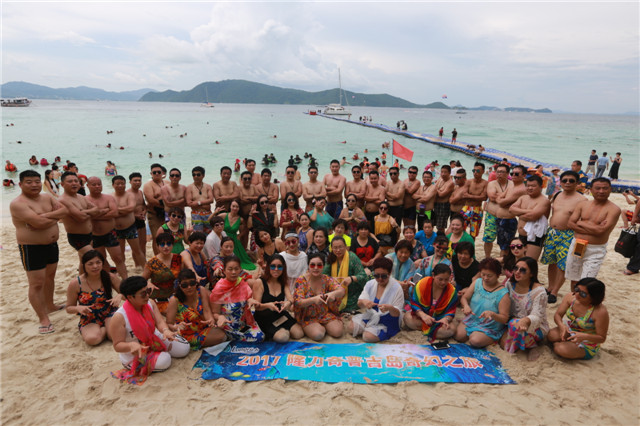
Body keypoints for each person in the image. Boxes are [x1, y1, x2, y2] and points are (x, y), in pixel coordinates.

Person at [109, 276, 190, 384]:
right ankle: (136, 361)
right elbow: (117, 345)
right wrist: (131, 345)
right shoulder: (119, 317)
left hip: (153, 337)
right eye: (143, 294)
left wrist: (166, 330)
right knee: (165, 360)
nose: (147, 295)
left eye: (148, 291)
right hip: (135, 352)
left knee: (184, 348)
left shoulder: (150, 303)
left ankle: (158, 351)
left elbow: (160, 322)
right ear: (130, 297)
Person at [540, 171, 586, 303]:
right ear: (560, 182)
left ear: (577, 183)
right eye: (564, 180)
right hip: (553, 233)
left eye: (571, 180)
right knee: (552, 262)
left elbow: (584, 220)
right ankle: (550, 287)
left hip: (569, 235)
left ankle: (555, 291)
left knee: (563, 264)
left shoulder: (582, 200)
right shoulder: (557, 195)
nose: (567, 183)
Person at [566, 178, 620, 287]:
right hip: (577, 244)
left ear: (610, 189)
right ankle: (574, 298)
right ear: (591, 189)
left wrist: (580, 223)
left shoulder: (614, 209)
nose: (601, 191)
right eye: (598, 188)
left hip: (595, 249)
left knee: (587, 281)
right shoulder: (582, 204)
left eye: (605, 188)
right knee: (574, 277)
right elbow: (570, 224)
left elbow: (600, 231)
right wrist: (594, 228)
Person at [65, 250, 122, 345]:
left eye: (98, 262)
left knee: (115, 336)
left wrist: (120, 295)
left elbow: (128, 293)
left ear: (102, 263)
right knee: (92, 339)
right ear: (84, 265)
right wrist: (78, 308)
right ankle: (105, 330)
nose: (95, 266)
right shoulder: (76, 283)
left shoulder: (110, 277)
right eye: (90, 264)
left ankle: (108, 330)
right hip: (89, 317)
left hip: (109, 312)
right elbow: (68, 308)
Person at [547, 278, 609, 360]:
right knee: (551, 335)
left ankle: (565, 345)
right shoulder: (570, 297)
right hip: (571, 329)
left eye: (583, 294)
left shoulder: (600, 312)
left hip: (588, 341)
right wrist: (561, 325)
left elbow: (602, 338)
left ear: (594, 297)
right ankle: (567, 344)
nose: (577, 294)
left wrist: (584, 336)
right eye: (577, 289)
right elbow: (558, 315)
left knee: (560, 349)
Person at [500, 257, 549, 361]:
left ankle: (532, 346)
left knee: (513, 328)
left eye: (523, 270)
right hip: (513, 321)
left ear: (531, 274)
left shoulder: (539, 292)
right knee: (504, 344)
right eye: (516, 268)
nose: (517, 272)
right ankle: (524, 343)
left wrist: (525, 320)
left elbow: (537, 316)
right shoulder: (509, 283)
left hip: (535, 326)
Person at [454, 258, 510, 348]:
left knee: (475, 341)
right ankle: (475, 332)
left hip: (490, 326)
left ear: (498, 275)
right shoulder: (477, 282)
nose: (485, 278)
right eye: (483, 274)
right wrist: (466, 306)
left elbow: (504, 318)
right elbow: (464, 298)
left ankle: (494, 337)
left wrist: (493, 314)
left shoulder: (503, 293)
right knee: (458, 336)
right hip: (472, 319)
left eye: (489, 276)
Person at [165, 269, 226, 350]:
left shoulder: (201, 290)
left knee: (224, 332)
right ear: (179, 285)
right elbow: (169, 323)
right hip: (187, 334)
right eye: (184, 285)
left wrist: (210, 320)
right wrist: (177, 327)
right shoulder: (175, 300)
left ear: (196, 282)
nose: (189, 287)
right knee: (222, 336)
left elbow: (207, 310)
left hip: (203, 328)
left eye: (192, 283)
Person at [348, 257, 404, 342]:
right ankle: (368, 328)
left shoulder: (397, 288)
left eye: (384, 276)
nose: (380, 279)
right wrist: (364, 302)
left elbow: (397, 314)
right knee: (351, 328)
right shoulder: (370, 284)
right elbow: (359, 303)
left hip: (388, 320)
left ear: (390, 273)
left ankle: (369, 330)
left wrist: (389, 308)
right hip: (371, 316)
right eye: (377, 276)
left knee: (367, 337)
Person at [209, 256, 264, 342]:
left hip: (243, 323)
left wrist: (250, 300)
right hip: (228, 326)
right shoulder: (219, 289)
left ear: (240, 270)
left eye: (236, 269)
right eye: (230, 269)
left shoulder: (241, 283)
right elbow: (215, 313)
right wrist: (220, 317)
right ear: (224, 271)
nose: (233, 272)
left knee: (261, 335)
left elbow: (247, 300)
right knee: (257, 338)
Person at [293, 253, 346, 341]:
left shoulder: (326, 279)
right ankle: (318, 328)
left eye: (319, 265)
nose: (316, 268)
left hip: (324, 313)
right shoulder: (301, 280)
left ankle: (326, 326)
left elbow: (342, 291)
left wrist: (333, 294)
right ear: (308, 266)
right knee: (318, 335)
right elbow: (298, 302)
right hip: (308, 316)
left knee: (337, 332)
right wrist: (314, 299)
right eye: (312, 265)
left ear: (323, 266)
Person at [252, 254, 304, 342]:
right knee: (282, 337)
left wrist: (288, 302)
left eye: (279, 267)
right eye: (273, 266)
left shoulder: (283, 281)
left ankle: (282, 330)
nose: (276, 269)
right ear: (268, 267)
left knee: (299, 333)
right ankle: (280, 331)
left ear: (283, 268)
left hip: (280, 314)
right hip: (265, 317)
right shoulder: (259, 282)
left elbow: (290, 298)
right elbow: (257, 307)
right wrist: (268, 305)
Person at [85, 177, 127, 279]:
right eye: (94, 184)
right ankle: (108, 280)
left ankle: (126, 280)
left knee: (118, 258)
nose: (97, 186)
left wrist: (95, 215)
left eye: (99, 184)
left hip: (110, 233)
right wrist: (105, 210)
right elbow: (85, 216)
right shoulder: (85, 200)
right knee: (101, 260)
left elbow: (114, 213)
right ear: (87, 186)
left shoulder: (108, 198)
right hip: (94, 235)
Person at [405, 263, 458, 342]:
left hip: (439, 320)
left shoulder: (452, 291)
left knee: (452, 329)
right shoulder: (423, 284)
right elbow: (415, 303)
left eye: (446, 279)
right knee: (407, 317)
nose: (443, 282)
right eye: (440, 279)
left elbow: (451, 310)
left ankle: (426, 329)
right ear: (433, 275)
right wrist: (423, 315)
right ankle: (433, 331)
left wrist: (445, 319)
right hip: (422, 318)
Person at [58, 171, 99, 272]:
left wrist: (83, 211)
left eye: (76, 181)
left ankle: (81, 280)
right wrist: (88, 212)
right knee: (94, 259)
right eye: (70, 181)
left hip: (89, 235)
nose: (74, 183)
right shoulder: (63, 200)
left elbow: (96, 210)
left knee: (83, 262)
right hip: (77, 237)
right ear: (62, 184)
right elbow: (81, 218)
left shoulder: (81, 197)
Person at [509, 175, 551, 261]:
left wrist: (518, 213)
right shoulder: (523, 198)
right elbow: (511, 209)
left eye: (533, 186)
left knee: (529, 263)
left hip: (535, 236)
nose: (530, 188)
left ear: (541, 187)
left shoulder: (544, 201)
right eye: (528, 185)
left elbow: (532, 217)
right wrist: (529, 211)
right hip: (521, 235)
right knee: (519, 261)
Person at [323, 236, 366, 312]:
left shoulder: (352, 257)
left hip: (352, 295)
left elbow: (363, 276)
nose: (338, 250)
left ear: (346, 247)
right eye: (335, 248)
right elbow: (323, 276)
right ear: (331, 248)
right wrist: (331, 280)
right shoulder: (331, 258)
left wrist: (351, 278)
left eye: (341, 247)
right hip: (335, 293)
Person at [142, 233, 182, 314]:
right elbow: (141, 280)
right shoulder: (151, 263)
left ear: (172, 245)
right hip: (159, 298)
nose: (166, 247)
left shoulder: (179, 258)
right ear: (157, 246)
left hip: (176, 295)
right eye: (162, 244)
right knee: (175, 314)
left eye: (169, 244)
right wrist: (148, 283)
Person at [112, 176, 146, 269]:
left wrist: (116, 210)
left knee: (137, 250)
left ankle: (145, 269)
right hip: (116, 229)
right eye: (117, 184)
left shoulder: (129, 195)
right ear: (113, 185)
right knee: (120, 252)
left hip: (130, 228)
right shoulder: (110, 197)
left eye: (122, 183)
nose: (120, 185)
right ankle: (123, 270)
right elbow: (110, 212)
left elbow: (130, 208)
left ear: (125, 184)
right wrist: (123, 210)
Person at [483, 164, 513, 258]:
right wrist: (507, 197)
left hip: (506, 217)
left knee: (505, 242)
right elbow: (492, 197)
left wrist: (499, 195)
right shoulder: (491, 184)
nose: (499, 174)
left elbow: (514, 198)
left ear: (507, 173)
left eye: (502, 172)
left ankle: (503, 261)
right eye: (498, 171)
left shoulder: (512, 184)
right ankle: (487, 257)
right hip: (491, 215)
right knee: (488, 239)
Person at [219, 200, 256, 271]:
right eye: (233, 206)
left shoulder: (240, 219)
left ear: (239, 208)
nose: (235, 208)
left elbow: (246, 228)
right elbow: (212, 221)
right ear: (230, 206)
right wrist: (215, 212)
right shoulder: (224, 215)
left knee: (241, 260)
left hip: (234, 239)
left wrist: (240, 235)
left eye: (237, 207)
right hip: (223, 237)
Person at [143, 163, 168, 254]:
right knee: (157, 237)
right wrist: (166, 205)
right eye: (154, 172)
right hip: (154, 215)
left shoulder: (167, 183)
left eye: (159, 172)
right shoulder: (148, 185)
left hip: (167, 214)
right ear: (151, 173)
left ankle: (166, 255)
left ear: (162, 173)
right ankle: (158, 257)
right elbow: (151, 200)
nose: (157, 174)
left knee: (168, 236)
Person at [461, 162, 488, 239]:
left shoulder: (485, 183)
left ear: (483, 171)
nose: (475, 172)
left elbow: (484, 197)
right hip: (466, 208)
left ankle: (471, 245)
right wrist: (477, 196)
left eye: (478, 171)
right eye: (474, 170)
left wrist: (469, 196)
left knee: (474, 233)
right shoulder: (468, 181)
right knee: (461, 229)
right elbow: (464, 195)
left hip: (477, 209)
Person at [186, 166, 214, 234]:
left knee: (210, 234)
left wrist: (198, 203)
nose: (196, 176)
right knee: (198, 235)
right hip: (196, 214)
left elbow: (211, 200)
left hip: (207, 214)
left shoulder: (208, 186)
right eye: (194, 175)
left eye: (198, 174)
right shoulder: (189, 187)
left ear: (203, 175)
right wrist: (205, 205)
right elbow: (189, 203)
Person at [127, 172, 148, 260]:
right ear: (130, 182)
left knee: (143, 242)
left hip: (141, 219)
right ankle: (137, 264)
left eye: (139, 180)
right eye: (135, 181)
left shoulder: (140, 192)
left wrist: (144, 212)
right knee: (136, 245)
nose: (137, 182)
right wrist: (136, 215)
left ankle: (143, 261)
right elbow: (126, 210)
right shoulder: (127, 194)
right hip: (132, 221)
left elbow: (143, 205)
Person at [433, 165, 455, 233]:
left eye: (445, 172)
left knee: (441, 226)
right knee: (434, 223)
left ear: (449, 173)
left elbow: (441, 194)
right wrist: (438, 189)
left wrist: (436, 189)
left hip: (443, 206)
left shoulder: (450, 183)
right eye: (442, 172)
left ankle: (441, 238)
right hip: (436, 204)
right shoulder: (440, 178)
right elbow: (435, 188)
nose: (443, 174)